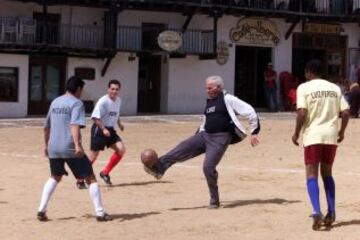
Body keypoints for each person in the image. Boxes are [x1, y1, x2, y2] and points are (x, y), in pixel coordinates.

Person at [143, 75, 260, 209]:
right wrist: (196, 137)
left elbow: (250, 110)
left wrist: (254, 131)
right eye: (206, 88)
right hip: (205, 135)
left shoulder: (227, 98)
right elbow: (206, 120)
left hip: (221, 138)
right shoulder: (210, 102)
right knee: (181, 149)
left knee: (208, 167)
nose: (207, 90)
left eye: (210, 88)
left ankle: (214, 200)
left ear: (218, 87)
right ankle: (158, 168)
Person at [37, 76, 112, 222]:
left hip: (54, 146)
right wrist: (77, 145)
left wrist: (46, 146)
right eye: (81, 90)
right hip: (69, 146)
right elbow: (74, 125)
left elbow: (46, 127)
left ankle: (41, 209)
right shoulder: (76, 103)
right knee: (91, 178)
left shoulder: (55, 101)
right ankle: (100, 213)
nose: (81, 93)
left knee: (55, 177)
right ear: (78, 89)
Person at [291, 59, 349, 230]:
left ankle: (316, 211)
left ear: (309, 72)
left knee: (311, 174)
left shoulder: (304, 87)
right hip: (331, 136)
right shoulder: (334, 88)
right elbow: (346, 112)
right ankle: (331, 212)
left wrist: (295, 133)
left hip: (313, 135)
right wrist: (342, 131)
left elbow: (302, 112)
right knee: (327, 174)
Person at [78, 79, 125, 187]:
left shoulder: (118, 100)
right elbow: (95, 117)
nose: (114, 91)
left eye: (116, 89)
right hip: (99, 129)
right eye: (112, 89)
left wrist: (119, 123)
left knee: (121, 150)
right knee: (92, 157)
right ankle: (80, 178)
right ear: (108, 89)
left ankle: (105, 172)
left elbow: (116, 114)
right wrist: (103, 129)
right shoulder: (103, 101)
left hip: (110, 130)